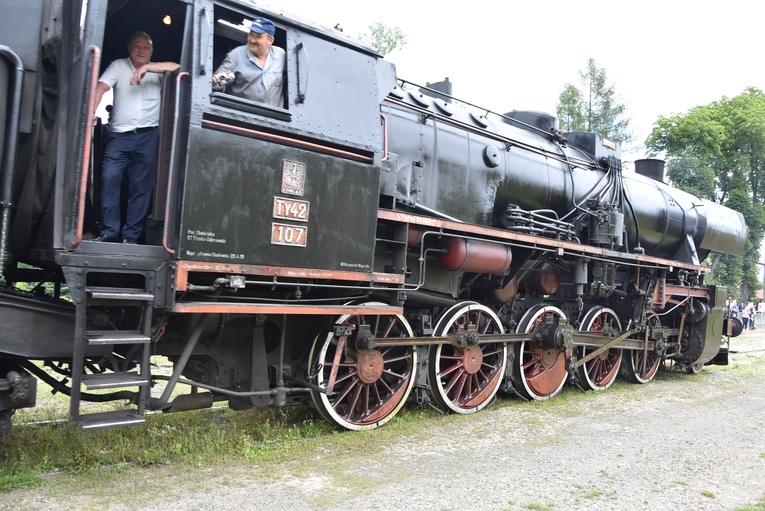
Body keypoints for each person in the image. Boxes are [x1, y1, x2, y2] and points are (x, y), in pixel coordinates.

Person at [92, 31, 179, 244]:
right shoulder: (118, 66)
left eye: (146, 47)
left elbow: (178, 68)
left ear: (151, 51)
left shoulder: (157, 70)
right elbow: (101, 87)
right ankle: (109, 231)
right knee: (110, 178)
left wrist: (147, 67)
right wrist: (90, 114)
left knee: (140, 186)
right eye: (137, 46)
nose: (141, 50)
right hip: (119, 135)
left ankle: (131, 236)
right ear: (129, 48)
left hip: (148, 135)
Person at [212, 17, 285, 106]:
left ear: (270, 41)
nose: (252, 40)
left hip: (273, 118)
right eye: (251, 35)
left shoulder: (281, 55)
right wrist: (217, 80)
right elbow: (216, 83)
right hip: (242, 116)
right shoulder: (236, 55)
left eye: (258, 37)